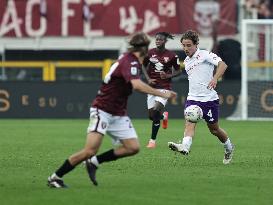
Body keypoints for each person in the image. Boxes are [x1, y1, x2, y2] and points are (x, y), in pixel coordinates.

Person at [47, 32, 177, 188]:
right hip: (102, 110)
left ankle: (95, 162)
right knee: (89, 150)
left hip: (118, 113)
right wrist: (162, 93)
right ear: (143, 48)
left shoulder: (129, 59)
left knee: (132, 147)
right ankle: (55, 177)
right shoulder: (130, 61)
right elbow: (136, 85)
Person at [167, 30, 235, 164]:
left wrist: (215, 78)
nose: (186, 48)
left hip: (209, 100)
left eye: (188, 45)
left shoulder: (205, 55)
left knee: (214, 130)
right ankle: (185, 147)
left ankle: (229, 148)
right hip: (192, 98)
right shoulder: (186, 61)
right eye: (184, 45)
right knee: (189, 123)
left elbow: (223, 65)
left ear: (196, 44)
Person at [142, 32, 181, 149]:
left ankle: (152, 141)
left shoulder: (172, 56)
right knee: (152, 116)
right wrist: (148, 79)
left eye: (160, 40)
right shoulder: (150, 53)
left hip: (165, 88)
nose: (158, 41)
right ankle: (163, 116)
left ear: (165, 41)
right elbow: (143, 65)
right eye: (157, 39)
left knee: (156, 110)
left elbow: (179, 71)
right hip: (152, 88)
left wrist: (168, 76)